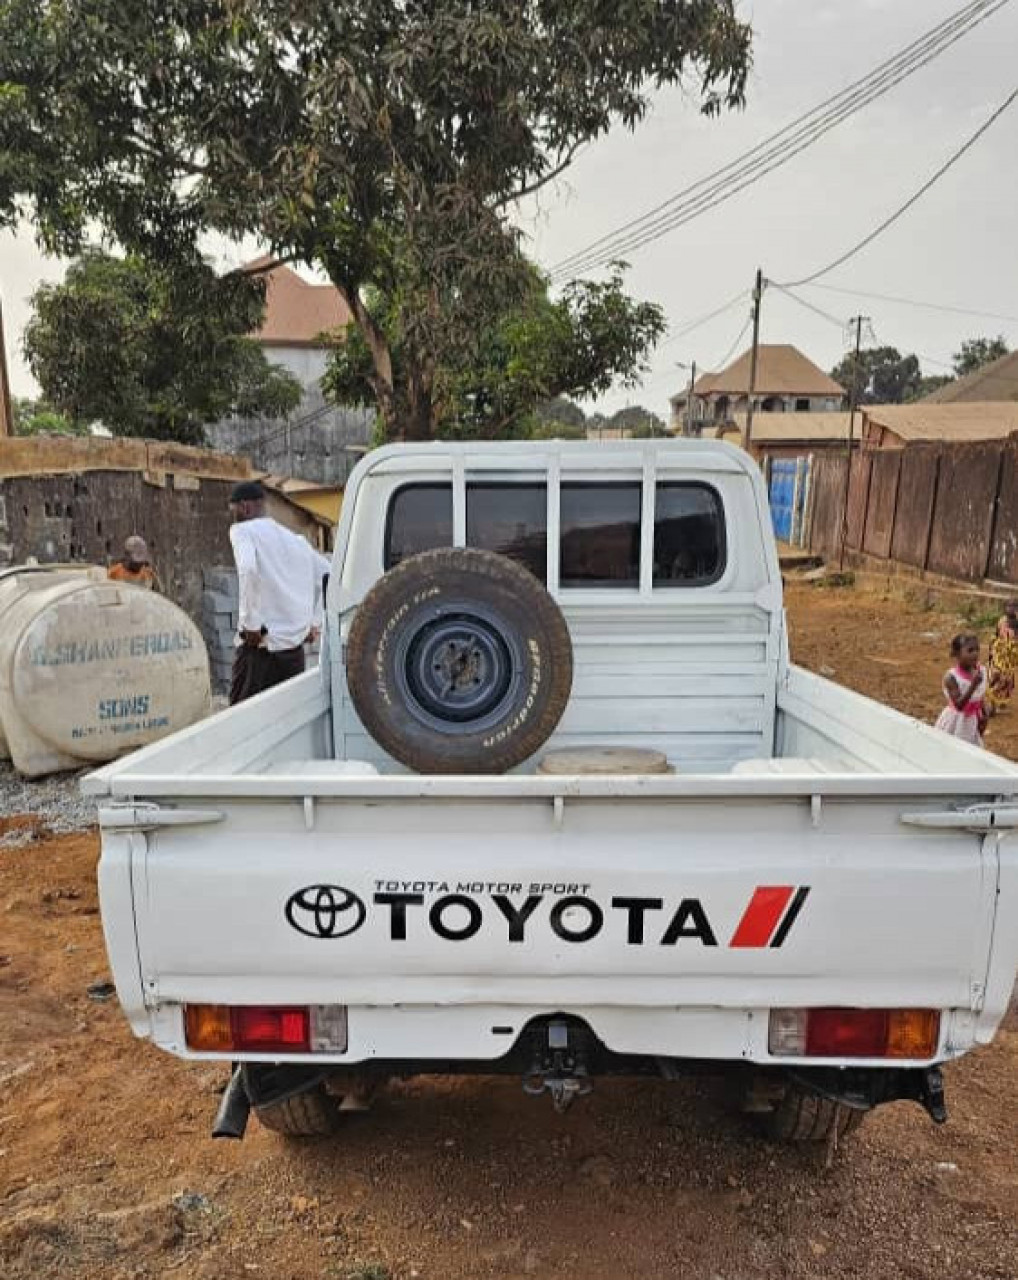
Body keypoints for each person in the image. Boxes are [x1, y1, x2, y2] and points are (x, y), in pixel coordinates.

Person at [228, 480, 332, 705]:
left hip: (261, 648)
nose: (232, 515)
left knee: (242, 720)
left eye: (233, 509)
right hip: (293, 652)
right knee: (287, 717)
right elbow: (329, 574)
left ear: (245, 507)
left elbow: (247, 569)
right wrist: (315, 623)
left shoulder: (242, 530)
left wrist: (251, 625)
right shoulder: (296, 541)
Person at [935, 633, 991, 747]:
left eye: (977, 650)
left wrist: (983, 710)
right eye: (970, 650)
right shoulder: (951, 677)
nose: (975, 654)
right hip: (955, 721)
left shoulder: (980, 670)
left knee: (971, 747)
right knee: (951, 747)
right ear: (956, 654)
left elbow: (980, 694)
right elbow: (959, 705)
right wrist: (973, 685)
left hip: (971, 720)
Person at [988, 599, 1018, 707]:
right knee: (996, 675)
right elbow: (995, 635)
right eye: (1009, 606)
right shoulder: (1001, 621)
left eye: (1014, 606)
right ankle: (992, 699)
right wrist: (991, 650)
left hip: (1010, 657)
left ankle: (1001, 699)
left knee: (1008, 679)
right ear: (1004, 608)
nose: (1011, 608)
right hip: (999, 653)